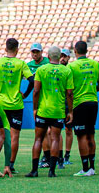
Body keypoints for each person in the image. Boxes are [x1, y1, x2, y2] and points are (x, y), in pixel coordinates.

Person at [0, 38, 34, 173]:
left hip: (0, 104)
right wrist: (25, 94)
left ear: (5, 49)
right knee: (14, 135)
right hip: (16, 104)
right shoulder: (21, 64)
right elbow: (32, 80)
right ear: (17, 49)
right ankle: (10, 165)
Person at [26, 46, 74, 178]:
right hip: (58, 111)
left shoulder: (41, 70)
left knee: (38, 139)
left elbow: (36, 91)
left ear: (47, 56)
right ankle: (52, 171)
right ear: (59, 57)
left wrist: (35, 108)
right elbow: (69, 93)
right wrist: (70, 111)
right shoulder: (66, 71)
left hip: (43, 110)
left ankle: (34, 171)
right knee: (55, 139)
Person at [68, 41, 99, 177]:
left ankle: (84, 168)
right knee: (91, 135)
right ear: (86, 51)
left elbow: (69, 90)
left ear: (76, 51)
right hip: (93, 102)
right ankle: (92, 167)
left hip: (79, 104)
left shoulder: (72, 66)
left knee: (81, 136)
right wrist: (91, 90)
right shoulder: (95, 64)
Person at [27, 43, 51, 168]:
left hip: (48, 99)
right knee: (44, 132)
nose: (35, 54)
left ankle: (55, 157)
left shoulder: (47, 63)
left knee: (50, 132)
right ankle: (49, 158)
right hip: (39, 101)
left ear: (42, 52)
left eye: (37, 52)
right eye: (33, 52)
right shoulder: (29, 66)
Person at [59, 48, 74, 166]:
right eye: (61, 56)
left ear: (69, 58)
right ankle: (58, 155)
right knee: (56, 131)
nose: (62, 58)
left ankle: (66, 156)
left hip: (68, 104)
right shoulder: (57, 70)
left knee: (69, 130)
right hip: (59, 103)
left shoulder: (70, 70)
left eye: (65, 56)